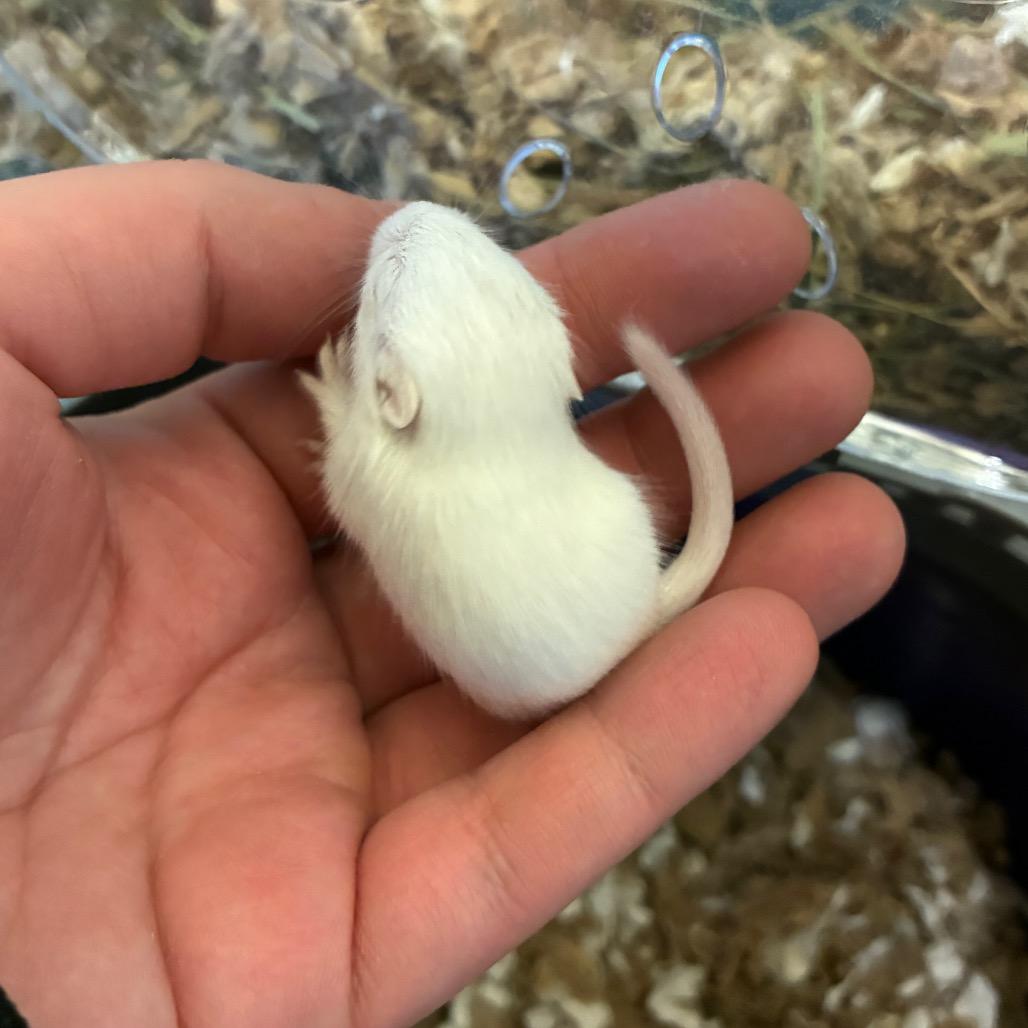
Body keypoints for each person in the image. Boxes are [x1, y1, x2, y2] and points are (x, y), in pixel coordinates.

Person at [0, 160, 904, 1028]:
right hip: (584, 597)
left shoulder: (380, 463)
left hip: (537, 646)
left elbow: (353, 478)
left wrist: (338, 401)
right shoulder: (476, 418)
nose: (403, 229)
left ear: (393, 397)